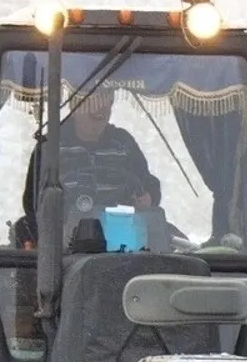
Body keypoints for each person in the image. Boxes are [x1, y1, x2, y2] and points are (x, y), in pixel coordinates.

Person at [13, 85, 162, 248]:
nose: (101, 108)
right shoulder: (50, 146)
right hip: (63, 246)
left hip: (122, 240)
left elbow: (148, 184)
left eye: (107, 101)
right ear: (75, 107)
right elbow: (32, 201)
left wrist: (149, 197)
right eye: (93, 101)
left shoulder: (124, 143)